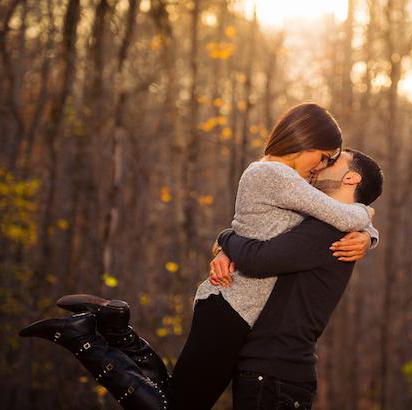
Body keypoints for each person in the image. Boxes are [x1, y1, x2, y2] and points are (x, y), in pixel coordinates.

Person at [18, 103, 379, 409]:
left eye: (333, 160)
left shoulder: (287, 182)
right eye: (324, 155)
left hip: (234, 308)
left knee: (175, 397)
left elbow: (310, 223)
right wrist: (367, 224)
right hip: (232, 306)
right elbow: (341, 216)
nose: (321, 165)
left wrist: (366, 234)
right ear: (309, 142)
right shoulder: (275, 175)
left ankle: (116, 331)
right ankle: (83, 338)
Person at [212, 148, 384, 409]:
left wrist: (225, 238)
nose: (320, 164)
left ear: (351, 178)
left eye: (332, 160)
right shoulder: (326, 222)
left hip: (276, 372)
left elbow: (260, 260)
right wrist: (369, 235)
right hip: (273, 370)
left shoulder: (330, 229)